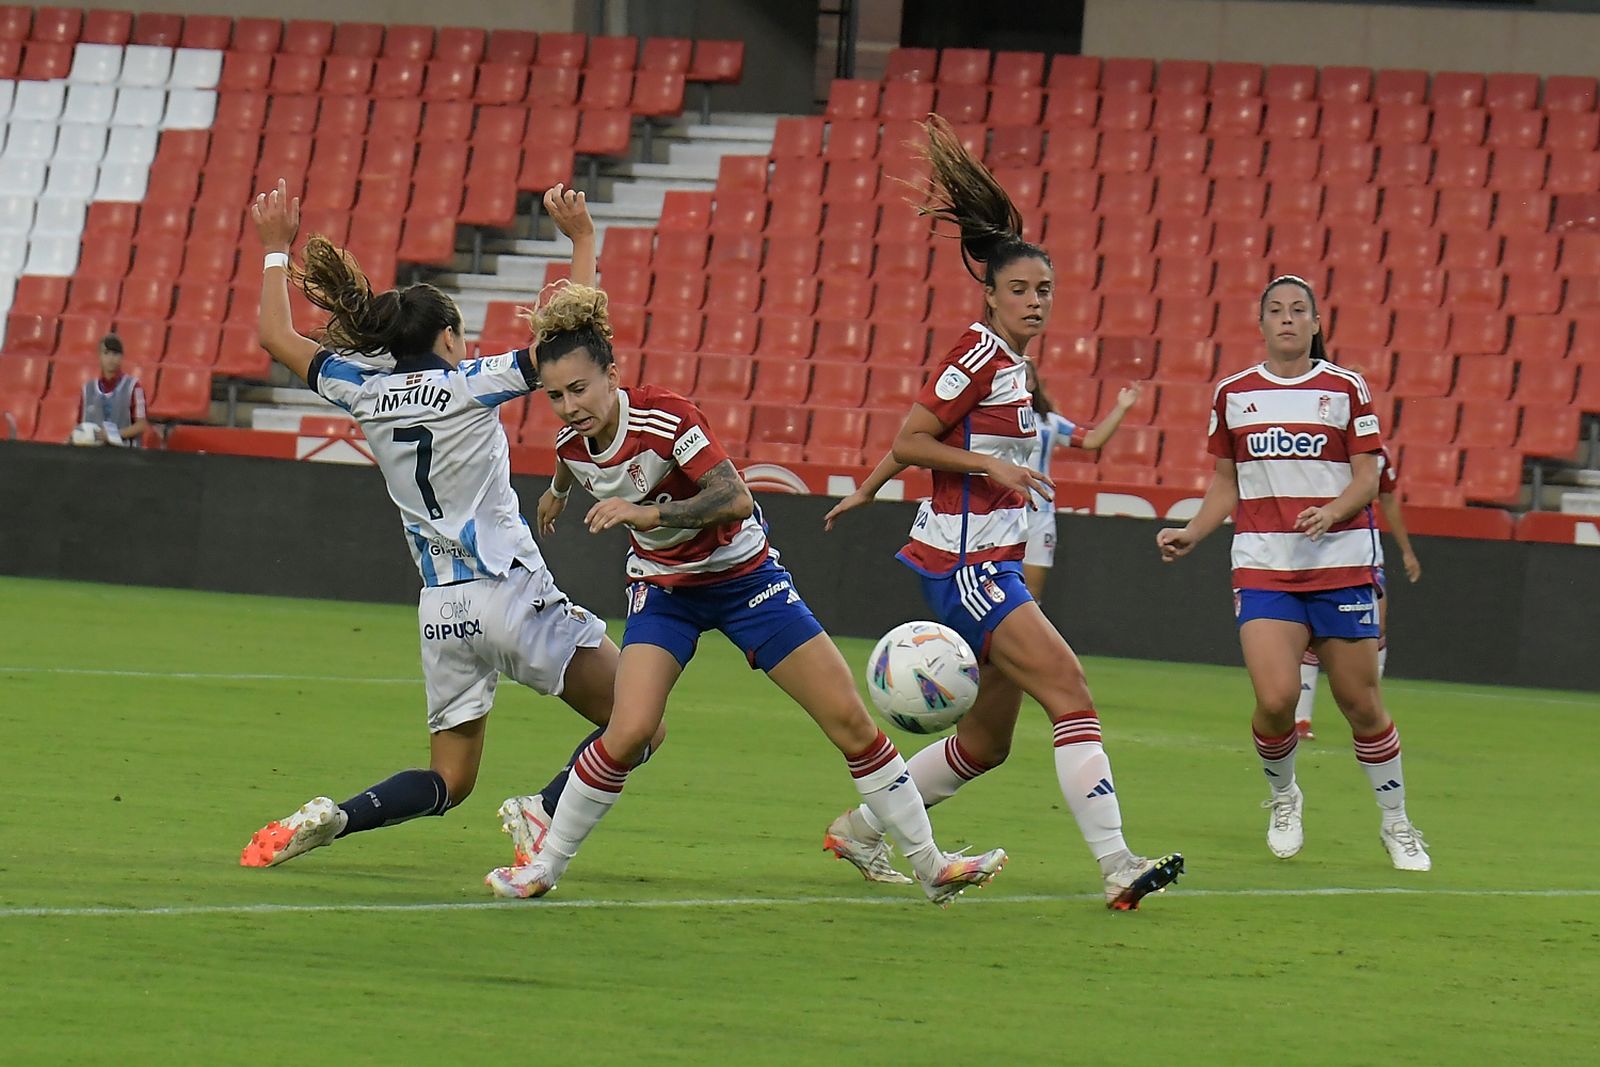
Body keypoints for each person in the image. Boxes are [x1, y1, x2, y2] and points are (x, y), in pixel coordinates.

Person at [482, 279, 1007, 906]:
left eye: (580, 389)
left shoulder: (667, 417)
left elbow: (735, 496)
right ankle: (545, 867)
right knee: (629, 732)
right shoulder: (570, 438)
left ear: (613, 376)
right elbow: (574, 458)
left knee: (848, 720)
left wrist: (648, 515)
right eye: (555, 395)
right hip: (665, 591)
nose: (568, 407)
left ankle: (931, 866)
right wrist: (557, 492)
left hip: (744, 579)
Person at [238, 179, 661, 869]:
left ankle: (338, 816)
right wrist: (583, 240)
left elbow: (273, 336)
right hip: (508, 593)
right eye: (460, 332)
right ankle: (546, 807)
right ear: (446, 336)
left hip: (442, 612)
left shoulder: (363, 390)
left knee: (450, 780)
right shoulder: (470, 382)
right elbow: (569, 348)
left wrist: (274, 252)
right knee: (639, 725)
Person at [821, 116, 1183, 910]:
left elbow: (920, 438)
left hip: (991, 561)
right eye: (1019, 289)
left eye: (1044, 290)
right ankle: (1118, 862)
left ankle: (858, 827)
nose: (1033, 301)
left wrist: (869, 486)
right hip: (967, 568)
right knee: (1072, 692)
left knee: (985, 742)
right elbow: (916, 434)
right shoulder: (976, 354)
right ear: (990, 293)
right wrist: (983, 464)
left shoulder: (1012, 369)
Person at [1155, 274, 1430, 872]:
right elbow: (1227, 482)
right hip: (1264, 568)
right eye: (1275, 310)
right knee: (1276, 699)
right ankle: (1284, 796)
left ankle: (1397, 822)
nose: (1286, 318)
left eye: (1298, 309)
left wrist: (1332, 513)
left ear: (1315, 323)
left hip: (1342, 564)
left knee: (1362, 706)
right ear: (1261, 323)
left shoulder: (1345, 389)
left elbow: (1367, 477)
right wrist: (1193, 532)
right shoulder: (1232, 393)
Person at [1295, 443, 1422, 739]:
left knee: (1376, 628)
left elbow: (1388, 500)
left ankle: (1371, 710)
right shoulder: (1317, 442)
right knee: (1312, 633)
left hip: (1362, 550)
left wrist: (1406, 551)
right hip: (1316, 547)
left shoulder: (1377, 453)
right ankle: (1301, 719)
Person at [1020, 361, 1141, 600]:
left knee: (1030, 596)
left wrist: (1121, 408)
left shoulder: (1048, 423)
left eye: (1023, 375)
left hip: (1038, 516)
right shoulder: (989, 420)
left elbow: (1092, 440)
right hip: (999, 513)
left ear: (1032, 382)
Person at [71, 334, 149, 447]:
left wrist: (114, 435)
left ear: (121, 357)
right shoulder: (87, 389)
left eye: (115, 354)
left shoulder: (133, 387)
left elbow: (141, 425)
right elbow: (81, 425)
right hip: (93, 454)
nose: (111, 358)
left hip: (125, 454)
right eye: (106, 353)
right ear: (99, 356)